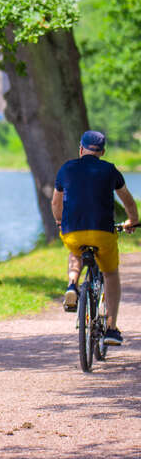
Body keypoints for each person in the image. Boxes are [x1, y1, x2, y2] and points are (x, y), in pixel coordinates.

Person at [51, 129, 138, 345]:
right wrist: (132, 220)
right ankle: (111, 327)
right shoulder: (110, 170)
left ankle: (72, 285)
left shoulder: (66, 168)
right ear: (103, 151)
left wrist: (61, 223)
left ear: (81, 148)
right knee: (110, 274)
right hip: (102, 232)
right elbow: (127, 200)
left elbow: (55, 203)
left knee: (75, 252)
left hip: (73, 232)